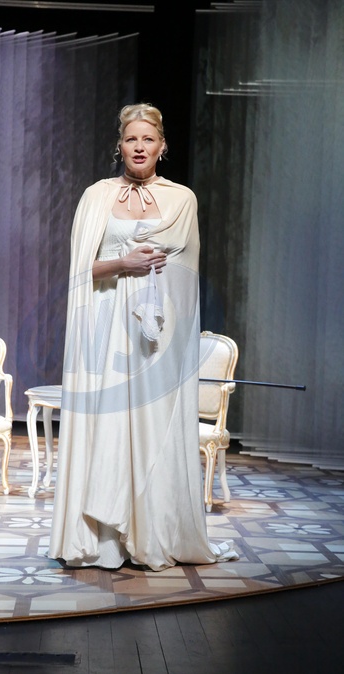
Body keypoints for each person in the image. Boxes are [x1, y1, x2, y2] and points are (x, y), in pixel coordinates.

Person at [48, 103, 238, 571]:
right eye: (131, 139)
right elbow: (80, 271)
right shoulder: (96, 196)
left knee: (152, 428)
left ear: (162, 146)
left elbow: (186, 279)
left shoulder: (182, 200)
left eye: (148, 139)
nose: (139, 147)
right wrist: (123, 263)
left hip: (156, 338)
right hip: (105, 329)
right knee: (109, 424)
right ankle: (104, 541)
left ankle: (152, 533)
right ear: (120, 145)